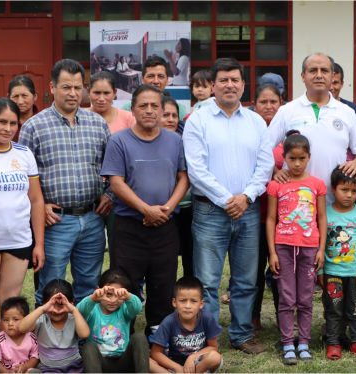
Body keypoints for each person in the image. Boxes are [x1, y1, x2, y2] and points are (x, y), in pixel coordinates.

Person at [183, 57, 274, 355]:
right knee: (208, 282)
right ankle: (208, 339)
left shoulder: (256, 121)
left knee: (246, 280)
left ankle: (241, 335)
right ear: (212, 85)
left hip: (247, 210)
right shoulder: (198, 120)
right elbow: (196, 169)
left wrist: (245, 197)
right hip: (210, 211)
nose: (229, 85)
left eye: (235, 79)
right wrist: (227, 199)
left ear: (243, 85)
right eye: (223, 80)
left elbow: (265, 165)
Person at [18, 59, 113, 308]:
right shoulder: (34, 127)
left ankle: (84, 343)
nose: (73, 93)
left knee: (88, 288)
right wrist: (38, 208)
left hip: (92, 219)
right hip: (55, 221)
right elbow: (21, 177)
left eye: (78, 87)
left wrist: (109, 194)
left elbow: (114, 169)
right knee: (51, 288)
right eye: (66, 87)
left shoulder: (98, 124)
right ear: (52, 87)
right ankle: (48, 345)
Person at [101, 84, 188, 337]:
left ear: (162, 110)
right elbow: (116, 183)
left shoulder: (175, 140)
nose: (149, 111)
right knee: (123, 286)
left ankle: (157, 341)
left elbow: (184, 178)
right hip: (129, 229)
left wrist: (166, 209)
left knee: (163, 286)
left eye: (154, 106)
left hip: (165, 227)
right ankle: (121, 338)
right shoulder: (118, 141)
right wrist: (146, 210)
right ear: (133, 109)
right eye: (143, 106)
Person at [0, 98, 45, 334]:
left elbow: (36, 201)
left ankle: (6, 360)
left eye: (13, 123)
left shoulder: (24, 154)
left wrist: (39, 244)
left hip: (18, 240)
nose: (7, 128)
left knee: (10, 305)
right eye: (1, 121)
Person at [267, 53, 356, 203]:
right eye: (313, 70)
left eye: (324, 71)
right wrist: (275, 171)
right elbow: (264, 148)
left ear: (333, 76)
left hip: (335, 202)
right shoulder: (287, 111)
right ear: (303, 76)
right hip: (295, 202)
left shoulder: (347, 112)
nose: (319, 75)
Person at [266, 131, 327, 365]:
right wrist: (272, 251)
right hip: (282, 247)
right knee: (286, 298)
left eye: (302, 158)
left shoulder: (316, 185)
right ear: (284, 158)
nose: (297, 163)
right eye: (292, 158)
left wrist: (321, 249)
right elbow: (271, 219)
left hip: (310, 249)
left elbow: (322, 217)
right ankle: (287, 343)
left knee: (305, 298)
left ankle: (304, 342)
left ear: (309, 157)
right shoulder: (275, 186)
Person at [318, 167, 356, 360]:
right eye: (344, 190)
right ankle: (333, 344)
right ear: (333, 188)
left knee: (355, 309)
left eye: (354, 191)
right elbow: (320, 244)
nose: (349, 195)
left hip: (355, 274)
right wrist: (321, 271)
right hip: (332, 272)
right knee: (333, 309)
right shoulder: (325, 214)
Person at [252, 83, 285, 331]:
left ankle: (283, 318)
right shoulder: (249, 132)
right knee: (252, 271)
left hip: (282, 218)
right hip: (254, 213)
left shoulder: (288, 139)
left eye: (274, 101)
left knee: (279, 270)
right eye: (263, 101)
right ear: (254, 105)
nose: (269, 106)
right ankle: (252, 318)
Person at [78, 270, 148, 374]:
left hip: (124, 360)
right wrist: (93, 298)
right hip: (100, 363)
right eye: (108, 294)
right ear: (98, 291)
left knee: (139, 337)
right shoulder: (92, 310)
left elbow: (137, 307)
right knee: (88, 347)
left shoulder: (125, 310)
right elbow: (80, 310)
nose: (112, 300)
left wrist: (128, 296)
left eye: (118, 295)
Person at [149, 277, 223, 374]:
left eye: (194, 301)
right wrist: (177, 368)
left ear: (201, 304)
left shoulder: (207, 318)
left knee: (215, 357)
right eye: (183, 300)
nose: (187, 306)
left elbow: (213, 347)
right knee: (147, 362)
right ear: (174, 302)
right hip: (174, 363)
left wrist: (192, 358)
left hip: (199, 364)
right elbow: (155, 353)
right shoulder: (168, 321)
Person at [19, 280, 89, 374]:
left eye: (61, 305)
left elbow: (84, 334)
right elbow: (22, 328)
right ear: (45, 303)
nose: (56, 310)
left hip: (75, 366)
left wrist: (74, 310)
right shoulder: (42, 320)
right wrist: (42, 308)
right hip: (50, 369)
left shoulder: (74, 319)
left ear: (71, 302)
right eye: (51, 305)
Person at [121, 56, 188, 119]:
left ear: (167, 80)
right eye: (151, 76)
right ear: (142, 79)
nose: (156, 81)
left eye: (160, 76)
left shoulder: (179, 109)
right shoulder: (128, 108)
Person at [0, 297, 40, 373]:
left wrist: (25, 366)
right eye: (6, 320)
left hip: (26, 370)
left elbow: (35, 357)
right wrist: (7, 373)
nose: (10, 324)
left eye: (15, 319)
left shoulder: (32, 338)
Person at [8, 75, 40, 142]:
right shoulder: (4, 123)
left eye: (24, 96)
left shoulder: (42, 121)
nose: (20, 101)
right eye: (15, 96)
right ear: (8, 97)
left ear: (35, 96)